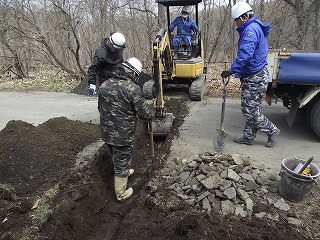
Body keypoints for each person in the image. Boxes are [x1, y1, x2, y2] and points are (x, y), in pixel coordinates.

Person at [220, 2, 280, 148]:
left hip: (255, 77)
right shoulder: (254, 27)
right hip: (256, 74)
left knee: (249, 109)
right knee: (253, 108)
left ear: (245, 17)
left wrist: (231, 70)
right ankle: (248, 137)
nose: (236, 24)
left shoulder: (250, 31)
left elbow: (245, 54)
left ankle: (272, 130)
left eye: (237, 20)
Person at [98, 57, 155, 202]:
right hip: (122, 135)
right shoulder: (132, 89)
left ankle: (122, 169)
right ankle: (121, 193)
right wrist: (152, 112)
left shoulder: (104, 85)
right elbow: (143, 113)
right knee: (122, 159)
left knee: (115, 154)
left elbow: (100, 108)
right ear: (133, 74)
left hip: (105, 131)